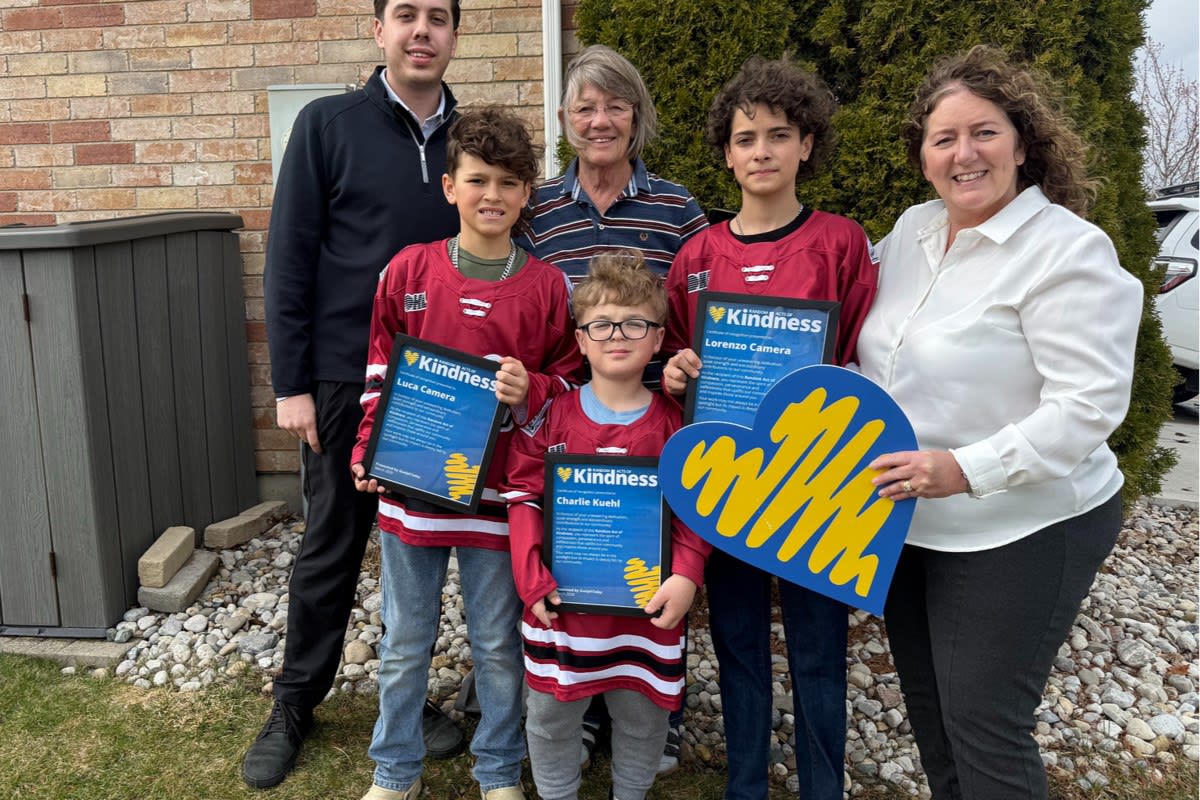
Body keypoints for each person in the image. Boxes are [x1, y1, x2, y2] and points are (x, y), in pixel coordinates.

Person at [856, 45, 1141, 800]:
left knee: (984, 723)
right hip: (910, 520)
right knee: (932, 715)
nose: (963, 154)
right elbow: (865, 344)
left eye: (982, 132)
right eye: (943, 138)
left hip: (1025, 523)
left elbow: (1087, 407)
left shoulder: (1068, 253)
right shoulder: (912, 232)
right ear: (922, 155)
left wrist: (961, 469)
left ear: (1022, 141)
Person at [252, 0, 466, 789]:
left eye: (437, 17)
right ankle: (294, 701)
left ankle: (405, 698)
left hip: (444, 388)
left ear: (453, 34)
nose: (421, 31)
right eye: (404, 15)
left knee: (417, 553)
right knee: (331, 549)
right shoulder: (327, 124)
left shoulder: (471, 140)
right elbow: (289, 258)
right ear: (379, 31)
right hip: (345, 380)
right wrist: (293, 387)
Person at [662, 56, 879, 800]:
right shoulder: (696, 256)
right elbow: (671, 361)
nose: (762, 151)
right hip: (729, 481)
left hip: (817, 481)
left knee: (820, 648)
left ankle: (825, 787)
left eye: (778, 135)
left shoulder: (842, 242)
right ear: (725, 151)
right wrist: (679, 374)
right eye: (746, 137)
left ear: (807, 145)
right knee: (740, 645)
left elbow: (861, 353)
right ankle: (744, 784)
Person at [350, 106, 582, 800]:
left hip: (498, 499)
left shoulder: (545, 287)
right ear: (449, 186)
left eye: (510, 183)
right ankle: (395, 773)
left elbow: (569, 383)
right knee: (402, 646)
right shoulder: (408, 271)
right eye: (478, 180)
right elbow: (380, 368)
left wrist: (531, 385)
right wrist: (368, 445)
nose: (493, 196)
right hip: (415, 492)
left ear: (526, 196)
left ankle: (497, 771)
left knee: (496, 647)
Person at [516, 43, 706, 772]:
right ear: (565, 118)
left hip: (657, 423)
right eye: (585, 106)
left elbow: (695, 316)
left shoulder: (676, 207)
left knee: (655, 565)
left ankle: (653, 705)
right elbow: (534, 319)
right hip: (570, 423)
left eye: (615, 105)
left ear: (637, 116)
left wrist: (688, 375)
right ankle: (585, 707)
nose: (600, 120)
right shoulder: (538, 209)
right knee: (579, 563)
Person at [503, 251, 711, 800]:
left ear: (659, 336)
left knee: (643, 722)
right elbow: (523, 495)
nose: (617, 334)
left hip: (646, 612)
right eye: (601, 324)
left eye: (635, 322)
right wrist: (531, 578)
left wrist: (686, 573)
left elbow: (695, 507)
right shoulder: (553, 418)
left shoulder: (675, 428)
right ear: (580, 339)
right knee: (550, 717)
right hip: (562, 609)